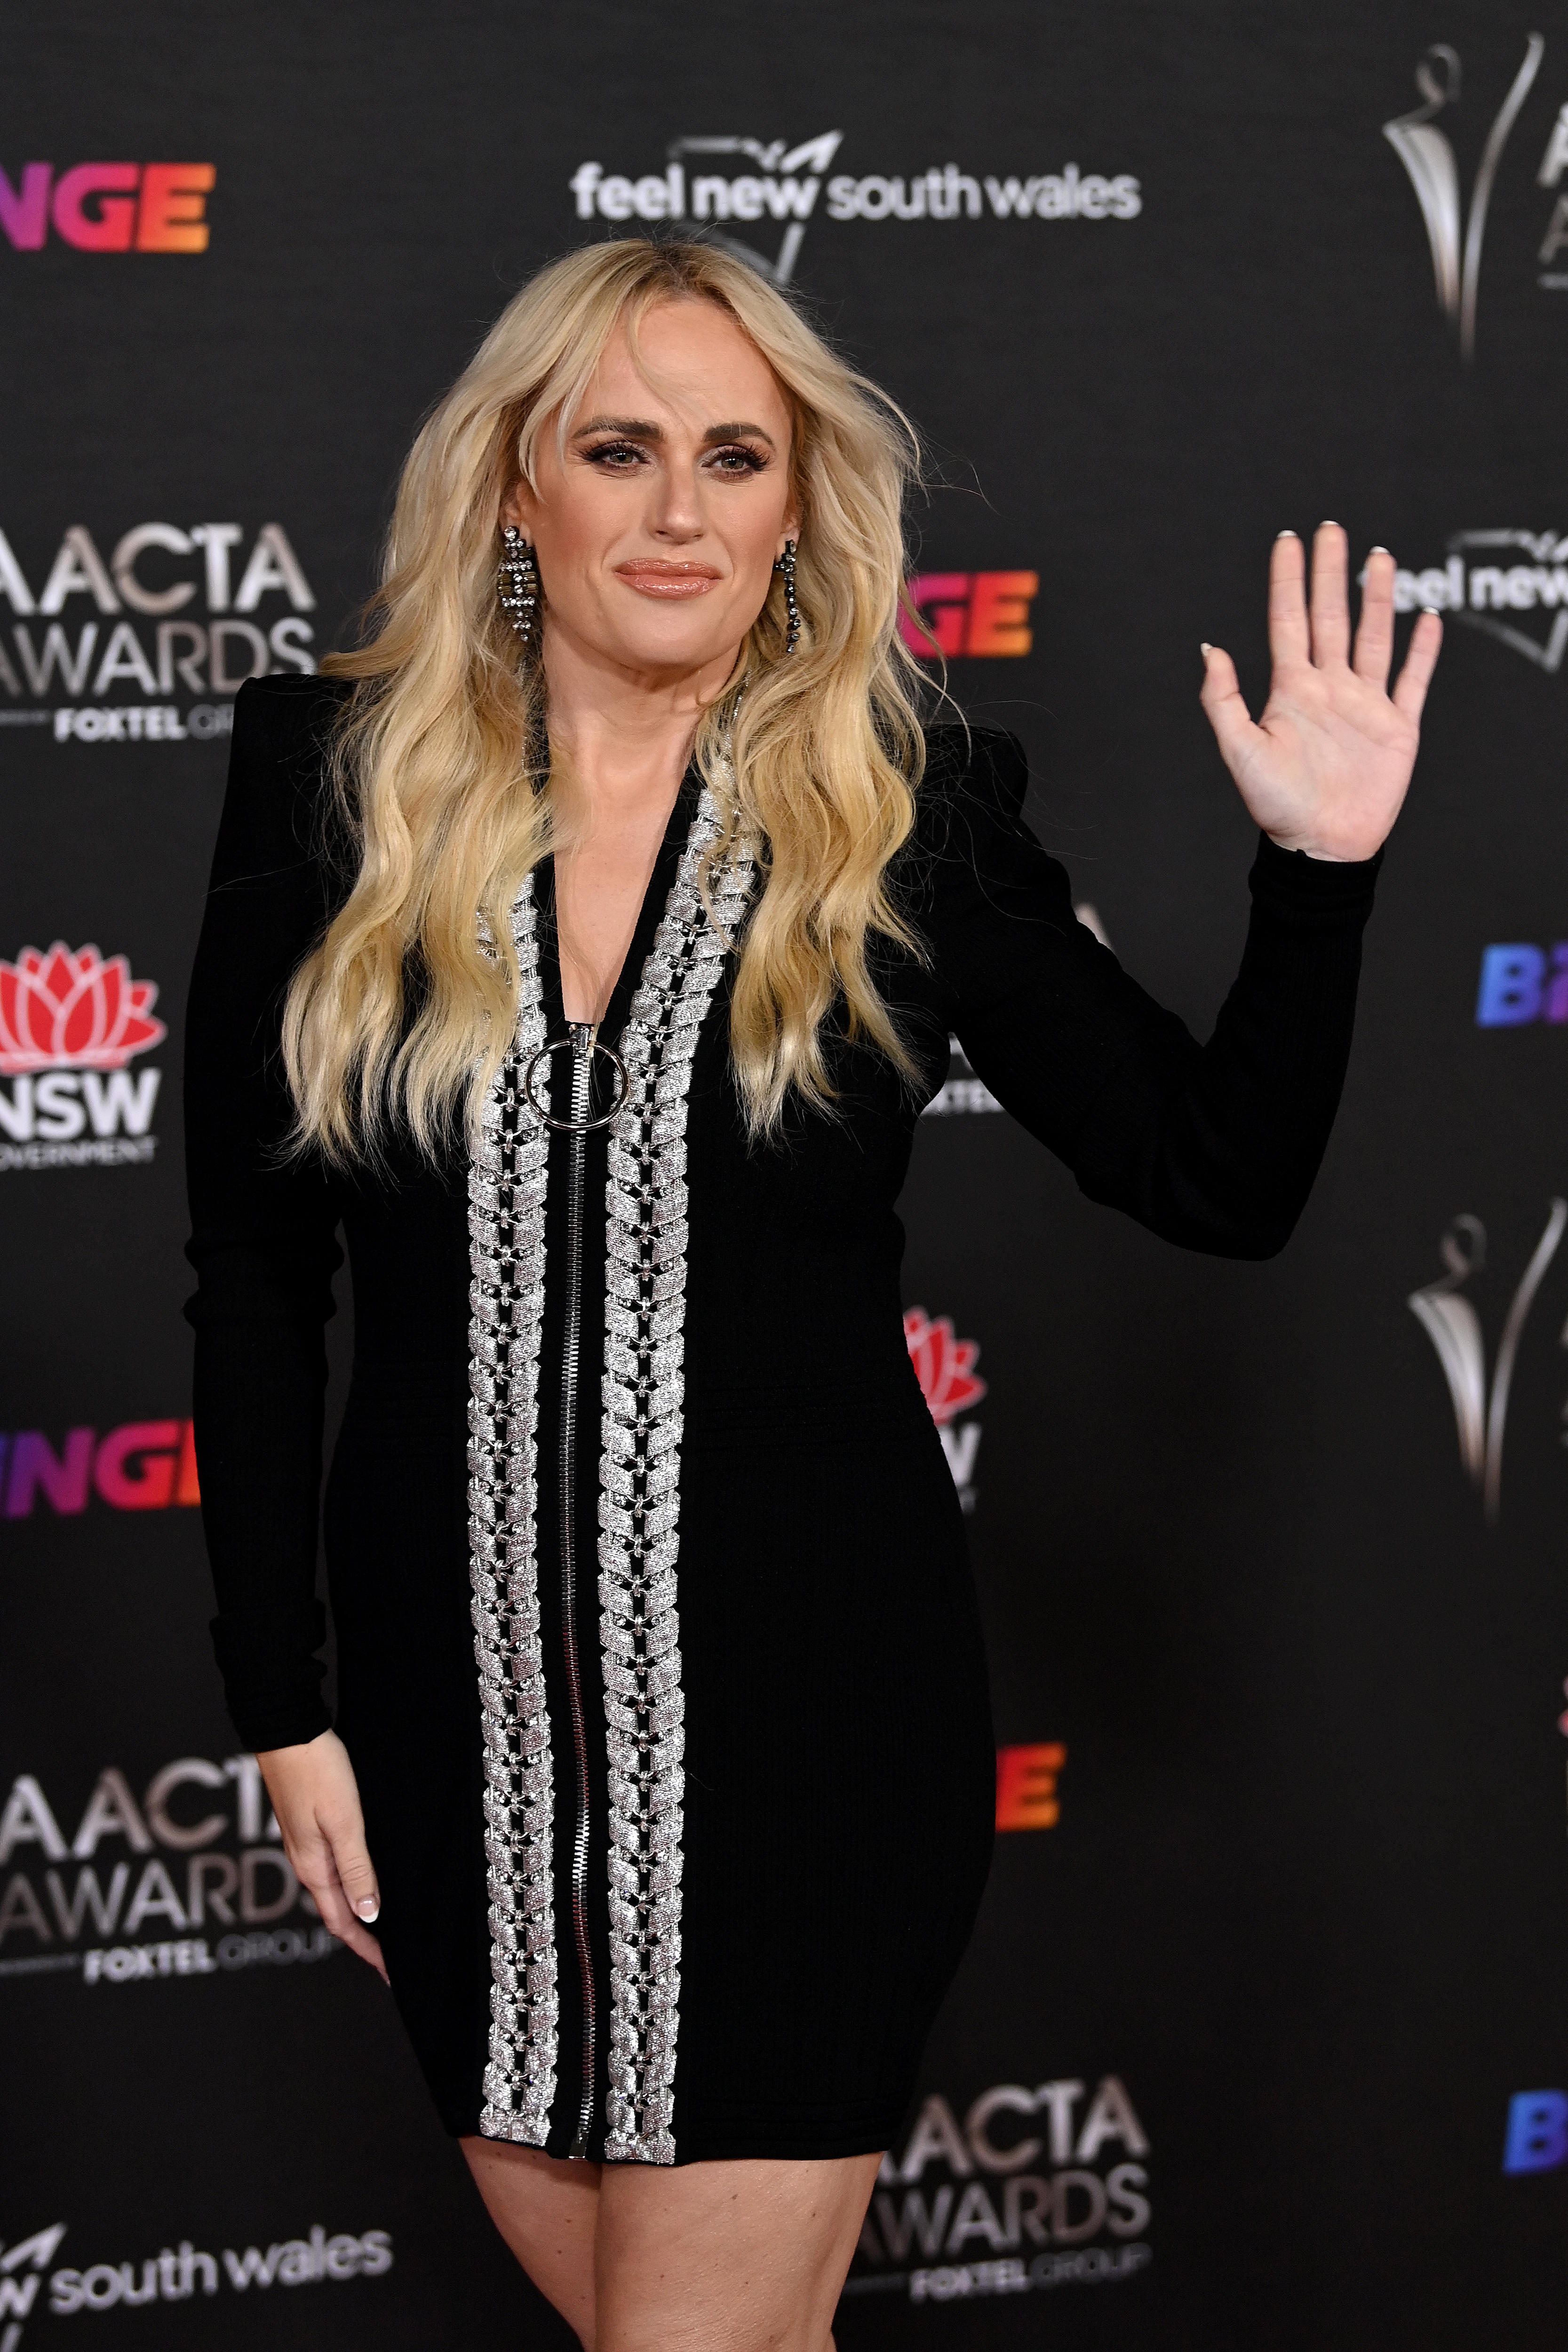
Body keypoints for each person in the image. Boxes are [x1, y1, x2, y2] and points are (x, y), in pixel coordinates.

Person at [183, 237, 1440, 2351]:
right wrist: (281, 1693)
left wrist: (1314, 882)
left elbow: (1212, 1177)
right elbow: (251, 1271)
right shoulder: (329, 792)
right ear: (517, 485)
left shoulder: (908, 818)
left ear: (795, 508)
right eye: (622, 447)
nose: (680, 509)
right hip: (455, 1754)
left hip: (810, 1753)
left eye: (736, 456)